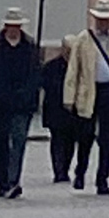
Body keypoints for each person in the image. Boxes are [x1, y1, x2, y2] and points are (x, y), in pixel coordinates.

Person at [63, 0, 109, 196]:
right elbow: (73, 70)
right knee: (85, 136)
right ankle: (81, 171)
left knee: (108, 138)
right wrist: (69, 97)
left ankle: (102, 179)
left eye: (106, 19)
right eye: (100, 19)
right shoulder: (83, 39)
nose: (103, 23)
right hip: (87, 92)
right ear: (95, 19)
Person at [0, 9, 42, 198]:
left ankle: (14, 181)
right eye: (11, 26)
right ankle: (3, 181)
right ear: (5, 26)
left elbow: (36, 73)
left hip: (22, 104)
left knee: (18, 141)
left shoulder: (29, 46)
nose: (13, 29)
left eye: (16, 26)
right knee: (0, 143)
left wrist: (29, 94)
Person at [39, 40, 74, 184]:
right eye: (67, 49)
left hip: (72, 110)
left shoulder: (79, 66)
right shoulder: (51, 66)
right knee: (57, 140)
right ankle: (59, 171)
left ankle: (65, 168)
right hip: (55, 109)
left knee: (70, 142)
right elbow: (43, 84)